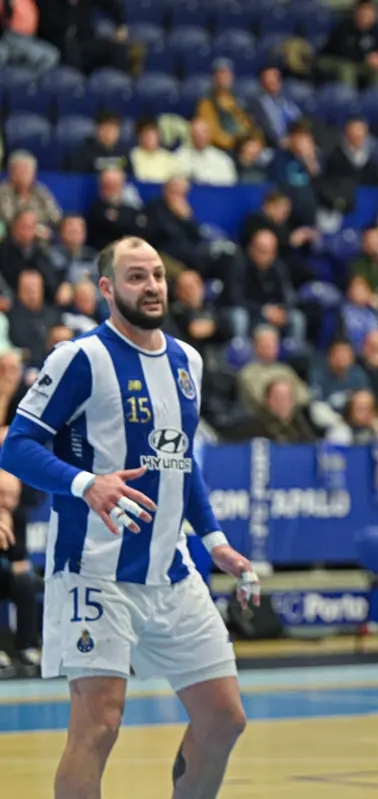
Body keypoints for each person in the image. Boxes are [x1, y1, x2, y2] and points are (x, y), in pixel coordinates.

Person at [0, 237, 261, 799]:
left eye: (158, 276)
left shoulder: (186, 360)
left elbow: (180, 460)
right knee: (99, 723)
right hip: (93, 569)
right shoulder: (80, 356)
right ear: (107, 288)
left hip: (171, 573)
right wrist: (85, 483)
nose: (151, 287)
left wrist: (212, 537)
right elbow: (16, 446)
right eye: (137, 277)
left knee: (224, 718)